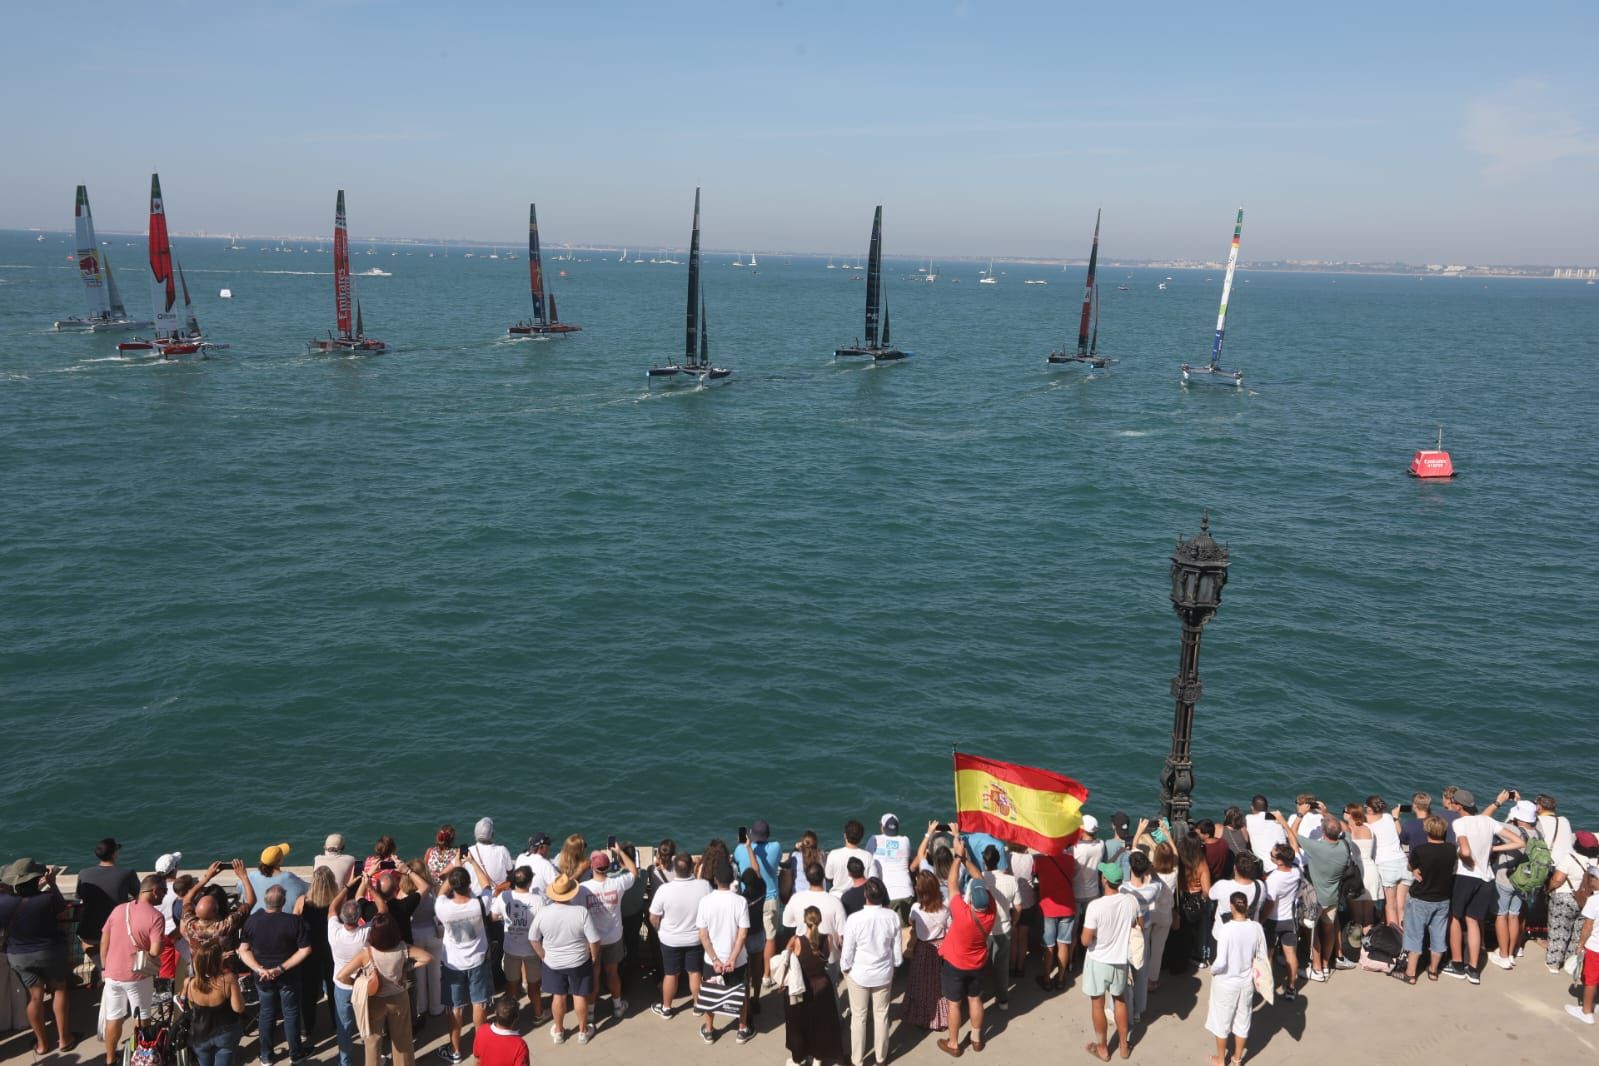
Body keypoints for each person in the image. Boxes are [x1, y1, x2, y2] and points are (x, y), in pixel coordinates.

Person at [0, 858, 75, 1055]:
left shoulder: (3, 903)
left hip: (19, 956)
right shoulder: (48, 898)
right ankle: (65, 1039)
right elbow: (61, 913)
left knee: (35, 997)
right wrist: (52, 884)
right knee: (59, 989)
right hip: (49, 951)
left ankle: (42, 1045)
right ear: (37, 880)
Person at [338, 913, 432, 1066]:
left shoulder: (366, 953)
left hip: (374, 1001)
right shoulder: (403, 948)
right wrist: (407, 968)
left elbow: (341, 976)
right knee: (403, 1041)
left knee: (372, 1043)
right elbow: (427, 957)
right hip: (398, 997)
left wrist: (358, 983)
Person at [238, 885, 312, 1065]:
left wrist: (260, 969)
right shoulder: (295, 922)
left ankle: (266, 1055)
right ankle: (296, 1053)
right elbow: (305, 950)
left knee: (266, 1013)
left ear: (265, 900)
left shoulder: (252, 921)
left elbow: (243, 950)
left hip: (262, 978)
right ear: (284, 901)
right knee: (291, 1013)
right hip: (288, 977)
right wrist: (280, 969)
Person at [100, 874, 167, 1066]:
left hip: (112, 974)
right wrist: (157, 947)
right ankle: (141, 1057)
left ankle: (110, 1058)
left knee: (113, 1017)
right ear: (155, 891)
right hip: (138, 976)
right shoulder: (156, 917)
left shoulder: (119, 909)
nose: (164, 895)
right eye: (164, 891)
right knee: (142, 1017)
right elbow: (154, 951)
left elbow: (105, 940)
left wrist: (105, 967)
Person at [937, 837, 994, 1057]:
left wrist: (958, 857)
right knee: (975, 999)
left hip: (955, 963)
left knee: (954, 1004)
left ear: (971, 899)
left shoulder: (961, 912)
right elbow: (979, 877)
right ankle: (977, 1038)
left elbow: (951, 883)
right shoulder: (990, 911)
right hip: (977, 962)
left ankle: (954, 1043)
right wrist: (965, 859)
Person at [434, 863, 493, 1062]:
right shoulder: (480, 904)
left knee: (455, 1008)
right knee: (480, 1005)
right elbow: (486, 885)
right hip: (478, 961)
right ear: (469, 885)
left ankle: (456, 1051)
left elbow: (441, 892)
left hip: (453, 964)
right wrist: (473, 862)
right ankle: (482, 1049)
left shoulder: (443, 907)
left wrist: (454, 867)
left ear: (452, 886)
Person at [1081, 863, 1138, 1063]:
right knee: (1119, 1000)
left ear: (1104, 880)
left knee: (1098, 1004)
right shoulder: (1130, 902)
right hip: (1120, 960)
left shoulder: (1095, 906)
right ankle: (1123, 1046)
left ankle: (1103, 1048)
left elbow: (1085, 940)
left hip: (1098, 960)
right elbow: (1133, 924)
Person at [840, 878, 901, 1066]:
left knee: (859, 1017)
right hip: (883, 973)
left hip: (859, 974)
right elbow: (897, 953)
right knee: (881, 1014)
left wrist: (846, 968)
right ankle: (881, 1057)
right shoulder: (892, 917)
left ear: (865, 895)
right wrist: (893, 966)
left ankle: (857, 1060)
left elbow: (848, 951)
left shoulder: (854, 919)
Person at [1445, 789, 1500, 984]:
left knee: (1454, 917)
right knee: (1473, 921)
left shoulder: (1459, 822)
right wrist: (1492, 849)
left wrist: (1464, 855)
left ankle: (1458, 964)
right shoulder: (1489, 821)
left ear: (1458, 806)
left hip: (1466, 876)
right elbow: (1519, 841)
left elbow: (1465, 849)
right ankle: (1474, 970)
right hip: (1487, 877)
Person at [1206, 890, 1267, 1066]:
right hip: (1246, 982)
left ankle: (1220, 1059)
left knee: (1221, 1021)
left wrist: (1213, 971)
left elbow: (1221, 962)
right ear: (1246, 906)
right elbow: (1261, 955)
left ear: (1232, 907)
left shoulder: (1226, 930)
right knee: (1243, 1020)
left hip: (1226, 983)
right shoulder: (1256, 928)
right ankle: (1237, 1058)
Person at [695, 860, 753, 1045]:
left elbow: (703, 936)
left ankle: (710, 1030)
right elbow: (742, 934)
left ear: (715, 879)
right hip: (738, 959)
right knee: (741, 992)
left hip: (712, 960)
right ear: (733, 878)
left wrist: (715, 960)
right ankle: (742, 1029)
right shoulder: (741, 901)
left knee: (710, 992)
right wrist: (732, 959)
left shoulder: (705, 901)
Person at [648, 853, 711, 1018]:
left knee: (670, 973)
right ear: (692, 868)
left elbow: (653, 916)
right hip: (696, 939)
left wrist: (659, 930)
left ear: (674, 869)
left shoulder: (664, 890)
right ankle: (698, 1006)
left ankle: (667, 1008)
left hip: (670, 940)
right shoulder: (704, 886)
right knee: (695, 972)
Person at [782, 906, 846, 1066]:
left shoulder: (797, 941)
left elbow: (785, 959)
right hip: (823, 987)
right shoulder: (829, 939)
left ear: (804, 921)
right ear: (820, 921)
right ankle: (818, 1058)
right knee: (821, 1025)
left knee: (800, 1024)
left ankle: (799, 1057)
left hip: (804, 988)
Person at [1297, 813, 1355, 981]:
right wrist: (1327, 812)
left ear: (1323, 830)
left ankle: (1316, 969)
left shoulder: (1317, 847)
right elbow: (1348, 829)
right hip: (1333, 899)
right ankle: (1324, 965)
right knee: (1329, 931)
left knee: (1312, 932)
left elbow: (1291, 834)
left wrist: (1299, 816)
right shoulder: (1345, 845)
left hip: (1316, 899)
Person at [582, 846, 637, 1021]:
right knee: (612, 972)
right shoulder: (617, 883)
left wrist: (579, 870)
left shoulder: (583, 888)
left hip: (593, 940)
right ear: (607, 867)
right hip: (614, 937)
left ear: (592, 867)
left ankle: (590, 1012)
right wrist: (620, 852)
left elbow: (563, 889)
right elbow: (634, 871)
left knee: (595, 974)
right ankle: (617, 1005)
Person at [1399, 814, 1455, 983]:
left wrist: (1414, 870)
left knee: (1414, 935)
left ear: (1427, 831)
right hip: (1442, 898)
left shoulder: (1421, 850)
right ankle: (1433, 971)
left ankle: (1410, 973)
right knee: (1438, 936)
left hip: (1421, 897)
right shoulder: (1452, 850)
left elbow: (1411, 865)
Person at [76, 837, 139, 985]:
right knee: (116, 949)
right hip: (116, 929)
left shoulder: (83, 873)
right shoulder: (127, 873)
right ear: (114, 853)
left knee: (86, 944)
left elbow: (80, 896)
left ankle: (102, 967)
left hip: (90, 929)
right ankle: (108, 971)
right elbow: (139, 897)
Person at [1487, 798, 1539, 970]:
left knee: (1501, 915)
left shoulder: (1510, 829)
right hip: (1524, 880)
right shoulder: (1538, 833)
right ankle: (1510, 953)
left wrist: (1499, 803)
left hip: (1505, 878)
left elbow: (1484, 819)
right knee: (1514, 915)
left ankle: (1502, 956)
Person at [324, 878, 369, 1066]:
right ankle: (372, 1057)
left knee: (344, 1027)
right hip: (362, 985)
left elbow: (332, 908)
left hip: (342, 985)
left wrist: (347, 887)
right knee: (368, 1023)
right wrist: (369, 886)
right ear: (359, 917)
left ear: (343, 917)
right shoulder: (366, 932)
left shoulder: (334, 932)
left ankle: (345, 1061)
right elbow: (383, 911)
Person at [733, 820, 783, 987]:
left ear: (751, 835)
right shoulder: (776, 847)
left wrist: (745, 846)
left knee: (746, 936)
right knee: (770, 937)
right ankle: (766, 976)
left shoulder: (740, 849)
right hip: (769, 898)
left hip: (748, 901)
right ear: (767, 835)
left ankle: (746, 973)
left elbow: (738, 864)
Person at [294, 866, 340, 1041]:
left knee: (309, 990)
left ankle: (307, 1028)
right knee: (333, 986)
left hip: (310, 950)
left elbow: (295, 924)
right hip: (331, 949)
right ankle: (337, 1023)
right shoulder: (336, 900)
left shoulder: (302, 901)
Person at [492, 867, 543, 1023]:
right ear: (529, 882)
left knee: (511, 986)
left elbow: (493, 917)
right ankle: (538, 1015)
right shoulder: (538, 900)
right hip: (532, 950)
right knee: (534, 987)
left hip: (511, 950)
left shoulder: (504, 896)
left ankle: (512, 1018)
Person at [179, 860, 257, 963]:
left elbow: (187, 899)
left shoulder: (191, 924)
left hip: (200, 970)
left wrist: (207, 877)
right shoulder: (225, 925)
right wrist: (243, 876)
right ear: (216, 910)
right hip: (225, 972)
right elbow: (251, 901)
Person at [184, 941, 245, 1066]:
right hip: (226, 1032)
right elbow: (238, 1008)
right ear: (218, 961)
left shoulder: (189, 983)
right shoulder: (228, 979)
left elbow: (190, 1005)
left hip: (200, 1035)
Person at [781, 861, 847, 975]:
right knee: (829, 988)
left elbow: (787, 923)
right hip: (829, 957)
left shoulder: (796, 898)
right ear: (823, 877)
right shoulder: (835, 902)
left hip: (802, 954)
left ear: (807, 878)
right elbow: (843, 935)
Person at [1547, 831, 1599, 974]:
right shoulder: (1595, 861)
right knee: (1578, 932)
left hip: (1566, 898)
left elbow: (1557, 880)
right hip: (1587, 900)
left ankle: (1554, 964)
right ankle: (1572, 963)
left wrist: (1548, 889)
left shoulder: (1569, 857)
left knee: (1559, 930)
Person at [905, 870, 950, 1032]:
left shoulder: (916, 908)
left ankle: (922, 1017)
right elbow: (949, 929)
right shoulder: (945, 909)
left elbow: (911, 922)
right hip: (941, 948)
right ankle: (942, 1019)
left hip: (923, 949)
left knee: (921, 986)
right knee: (939, 986)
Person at [404, 859, 445, 1027]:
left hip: (415, 935)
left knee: (419, 974)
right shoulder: (433, 889)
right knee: (435, 972)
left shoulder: (406, 893)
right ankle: (436, 1007)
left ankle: (421, 1007)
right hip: (433, 932)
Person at [978, 845, 1018, 1011]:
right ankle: (1003, 1000)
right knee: (1001, 967)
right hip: (1004, 928)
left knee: (979, 966)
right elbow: (1019, 907)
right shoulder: (1011, 880)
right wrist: (1013, 923)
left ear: (983, 861)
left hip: (982, 930)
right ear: (998, 860)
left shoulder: (978, 879)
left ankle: (977, 998)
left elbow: (969, 905)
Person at [1034, 841, 1078, 991]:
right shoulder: (1071, 860)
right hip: (1067, 907)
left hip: (1049, 909)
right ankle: (1060, 978)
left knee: (1049, 945)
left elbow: (1035, 874)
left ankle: (1046, 979)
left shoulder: (1040, 860)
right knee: (1063, 943)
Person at [1262, 839, 1302, 999]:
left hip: (1273, 920)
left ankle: (1268, 985)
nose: (1270, 854)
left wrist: (1261, 920)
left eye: (1272, 854)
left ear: (1279, 861)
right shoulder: (1297, 871)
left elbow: (1269, 904)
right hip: (1289, 919)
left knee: (1268, 955)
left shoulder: (1273, 880)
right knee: (1290, 954)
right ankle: (1291, 988)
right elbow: (1294, 846)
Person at [1365, 796, 1409, 927]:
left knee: (1390, 906)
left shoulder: (1368, 824)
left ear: (1370, 809)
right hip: (1404, 863)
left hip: (1386, 866)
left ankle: (1394, 942)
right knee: (1401, 907)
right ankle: (1403, 941)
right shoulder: (1389, 817)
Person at [867, 814, 916, 923]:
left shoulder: (874, 839)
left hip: (885, 895)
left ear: (882, 828)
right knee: (905, 929)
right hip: (906, 893)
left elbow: (867, 859)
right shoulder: (905, 840)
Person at [1568, 868, 1599, 1026]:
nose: (1591, 880)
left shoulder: (1594, 901)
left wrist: (1580, 944)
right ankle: (1595, 1003)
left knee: (1591, 980)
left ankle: (1586, 1011)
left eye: (1594, 877)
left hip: (1595, 947)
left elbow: (1587, 927)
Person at [1178, 833, 1213, 968]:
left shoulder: (1179, 860)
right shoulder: (1201, 863)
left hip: (1182, 896)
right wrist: (1203, 900)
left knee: (1184, 929)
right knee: (1201, 928)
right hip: (1196, 897)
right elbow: (1206, 890)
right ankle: (1200, 956)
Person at [467, 997, 529, 1066]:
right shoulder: (520, 1046)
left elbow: (477, 1060)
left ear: (495, 1012)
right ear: (516, 1018)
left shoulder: (482, 1030)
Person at [249, 844, 308, 915]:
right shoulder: (288, 877)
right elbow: (307, 888)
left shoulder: (251, 876)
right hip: (284, 922)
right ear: (279, 861)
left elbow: (239, 887)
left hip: (255, 921)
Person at [1006, 842, 1037, 976]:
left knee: (1013, 936)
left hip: (1013, 902)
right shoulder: (1030, 858)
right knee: (1023, 937)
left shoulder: (1008, 856)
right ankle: (1020, 967)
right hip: (1028, 901)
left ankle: (1011, 967)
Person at [824, 820, 877, 890]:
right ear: (861, 837)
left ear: (845, 835)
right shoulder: (868, 857)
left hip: (836, 897)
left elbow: (828, 877)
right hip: (860, 897)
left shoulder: (833, 854)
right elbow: (874, 880)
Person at [1245, 795, 1286, 869]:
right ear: (1267, 808)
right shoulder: (1278, 819)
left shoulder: (1248, 819)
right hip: (1286, 864)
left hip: (1268, 868)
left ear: (1252, 807)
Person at [512, 834, 557, 899]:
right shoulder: (546, 864)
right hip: (540, 904)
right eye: (547, 846)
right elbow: (558, 887)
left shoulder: (520, 857)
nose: (549, 848)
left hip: (520, 898)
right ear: (541, 848)